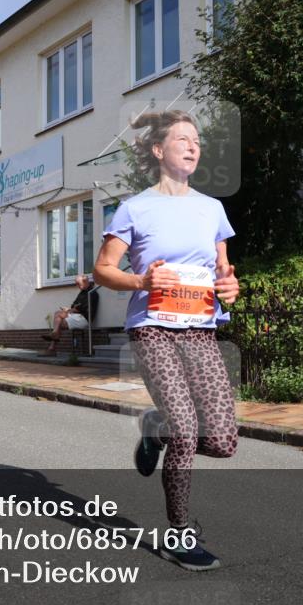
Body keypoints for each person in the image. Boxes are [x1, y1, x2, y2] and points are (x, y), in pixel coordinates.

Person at [93, 110, 239, 571]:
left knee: (221, 441)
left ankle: (154, 427)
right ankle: (179, 534)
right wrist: (140, 281)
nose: (193, 146)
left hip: (200, 329)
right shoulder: (136, 207)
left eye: (197, 140)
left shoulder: (212, 208)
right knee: (186, 428)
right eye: (183, 139)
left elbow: (223, 272)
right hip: (152, 327)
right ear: (159, 151)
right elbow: (103, 270)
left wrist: (230, 288)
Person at [41, 274, 97, 356]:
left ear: (85, 281)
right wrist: (70, 309)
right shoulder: (82, 293)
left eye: (78, 283)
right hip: (76, 316)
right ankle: (53, 340)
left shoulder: (92, 293)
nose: (77, 286)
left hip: (84, 319)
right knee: (58, 315)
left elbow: (81, 309)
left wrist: (71, 309)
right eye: (76, 284)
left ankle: (52, 346)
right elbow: (74, 305)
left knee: (58, 319)